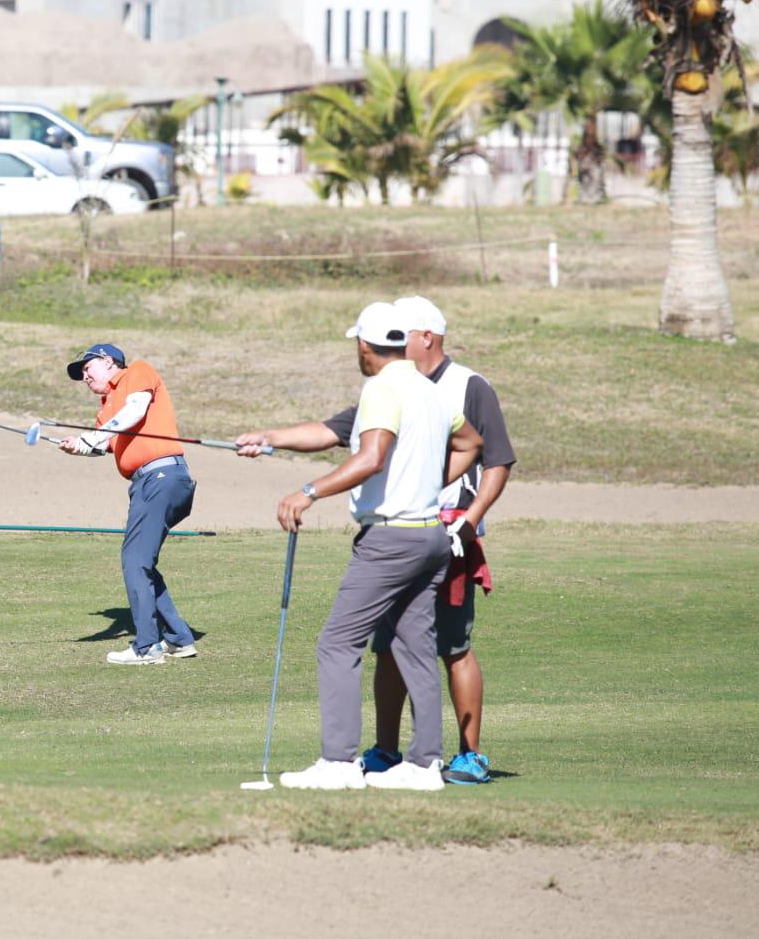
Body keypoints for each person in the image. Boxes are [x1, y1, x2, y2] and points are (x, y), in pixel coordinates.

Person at [235, 302, 482, 790]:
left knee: (337, 643)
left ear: (365, 347)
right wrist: (427, 484)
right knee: (416, 648)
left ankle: (338, 762)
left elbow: (370, 458)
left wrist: (308, 492)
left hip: (391, 539)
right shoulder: (428, 390)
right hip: (431, 536)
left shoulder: (382, 388)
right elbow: (471, 444)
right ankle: (424, 766)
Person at [335, 296, 516, 786]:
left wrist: (469, 519)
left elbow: (495, 459)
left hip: (450, 536)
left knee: (453, 644)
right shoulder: (397, 385)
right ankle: (388, 750)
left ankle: (470, 755)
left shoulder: (468, 385)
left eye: (405, 333)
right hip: (400, 531)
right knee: (389, 644)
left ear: (427, 337)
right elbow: (344, 431)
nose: (395, 339)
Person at [60, 344, 199, 666]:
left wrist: (90, 439)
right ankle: (179, 639)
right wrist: (77, 447)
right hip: (147, 483)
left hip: (162, 476)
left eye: (87, 367)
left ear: (108, 362)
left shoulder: (137, 371)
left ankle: (147, 647)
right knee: (142, 560)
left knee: (135, 560)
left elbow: (135, 411)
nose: (84, 376)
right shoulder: (107, 406)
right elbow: (107, 444)